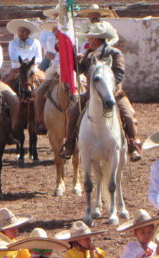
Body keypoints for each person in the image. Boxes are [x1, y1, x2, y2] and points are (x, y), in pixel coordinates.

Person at [59, 22, 142, 162]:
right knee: (73, 112)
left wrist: (107, 87)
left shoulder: (115, 53)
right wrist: (73, 58)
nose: (88, 40)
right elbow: (81, 70)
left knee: (127, 114)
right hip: (91, 93)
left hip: (113, 93)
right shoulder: (89, 54)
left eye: (90, 38)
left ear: (96, 39)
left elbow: (119, 74)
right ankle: (70, 143)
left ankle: (132, 144)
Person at [2, 19, 43, 85]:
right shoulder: (13, 43)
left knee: (44, 81)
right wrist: (27, 60)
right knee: (4, 85)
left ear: (28, 32)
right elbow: (13, 57)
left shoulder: (36, 43)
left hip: (32, 70)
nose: (20, 33)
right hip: (16, 69)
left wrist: (29, 61)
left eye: (23, 31)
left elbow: (39, 58)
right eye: (19, 31)